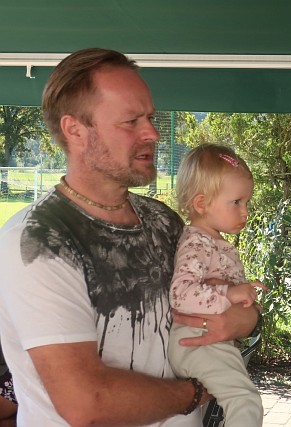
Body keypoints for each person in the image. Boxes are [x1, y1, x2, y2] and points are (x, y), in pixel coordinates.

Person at [0, 48, 259, 426]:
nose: (153, 133)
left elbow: (225, 306)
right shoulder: (37, 241)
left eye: (150, 117)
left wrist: (246, 320)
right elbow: (88, 403)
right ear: (75, 130)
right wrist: (198, 392)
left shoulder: (164, 221)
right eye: (130, 121)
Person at [168, 144, 265, 426]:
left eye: (247, 202)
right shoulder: (196, 242)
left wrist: (244, 301)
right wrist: (230, 293)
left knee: (239, 402)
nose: (245, 211)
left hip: (208, 341)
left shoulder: (211, 241)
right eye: (236, 202)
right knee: (244, 401)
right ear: (201, 204)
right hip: (197, 341)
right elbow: (181, 294)